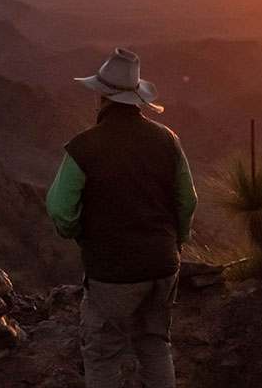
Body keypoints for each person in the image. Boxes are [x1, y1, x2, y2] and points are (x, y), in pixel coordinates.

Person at [47, 48, 198, 388]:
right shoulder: (168, 140)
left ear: (101, 96)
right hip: (162, 266)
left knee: (102, 355)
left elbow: (59, 208)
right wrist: (177, 240)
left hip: (111, 272)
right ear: (135, 99)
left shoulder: (83, 147)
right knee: (155, 344)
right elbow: (188, 200)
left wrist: (77, 232)